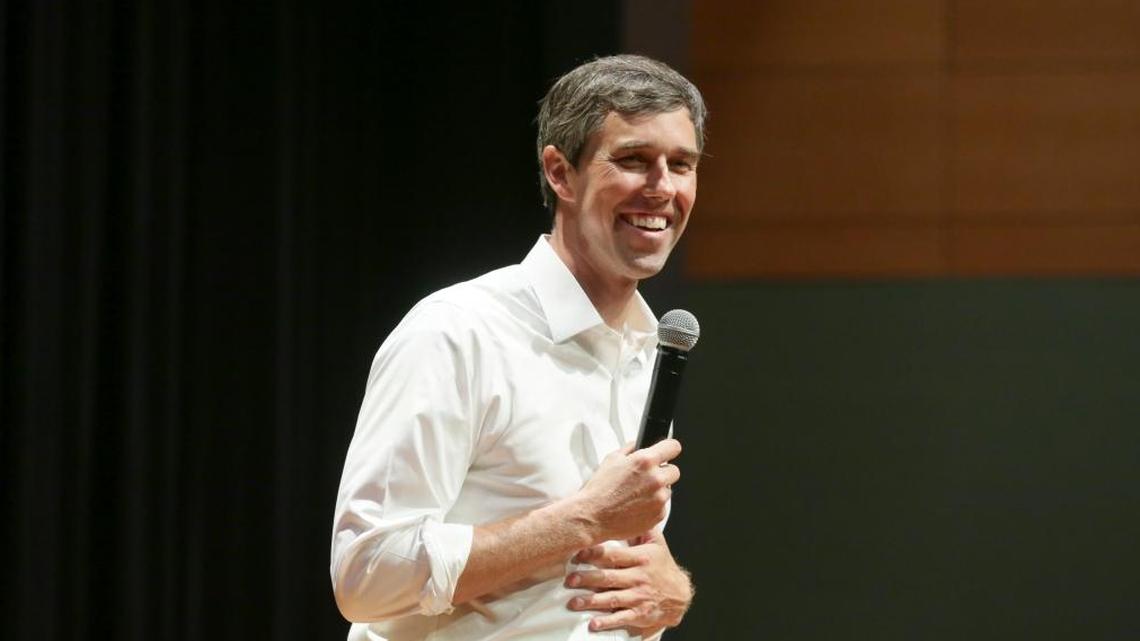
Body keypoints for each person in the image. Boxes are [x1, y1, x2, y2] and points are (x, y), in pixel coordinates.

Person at [331, 54, 706, 641]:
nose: (662, 187)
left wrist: (668, 591)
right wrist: (583, 519)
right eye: (634, 159)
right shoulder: (458, 333)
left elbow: (602, 570)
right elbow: (366, 574)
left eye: (681, 164)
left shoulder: (648, 343)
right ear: (561, 173)